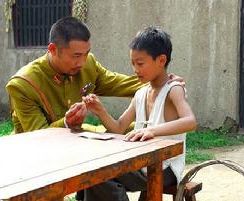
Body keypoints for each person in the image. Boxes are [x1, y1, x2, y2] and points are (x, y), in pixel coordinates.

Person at [6, 16, 183, 133]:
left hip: (76, 138)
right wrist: (67, 123)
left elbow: (120, 84)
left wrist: (163, 83)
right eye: (76, 56)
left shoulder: (88, 64)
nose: (82, 62)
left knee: (136, 131)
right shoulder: (23, 84)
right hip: (35, 152)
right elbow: (39, 136)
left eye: (85, 53)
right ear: (53, 50)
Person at [81, 26, 197, 201]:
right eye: (133, 63)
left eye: (140, 63)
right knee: (92, 173)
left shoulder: (173, 90)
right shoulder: (141, 93)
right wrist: (100, 110)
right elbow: (119, 127)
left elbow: (190, 122)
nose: (135, 69)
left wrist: (152, 131)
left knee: (98, 176)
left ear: (161, 60)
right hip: (141, 162)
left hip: (165, 168)